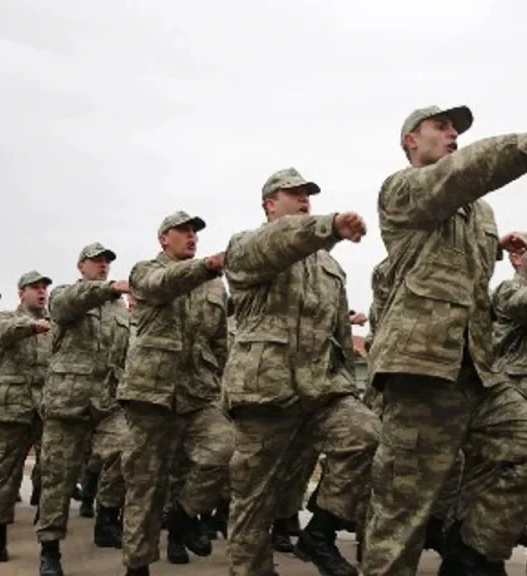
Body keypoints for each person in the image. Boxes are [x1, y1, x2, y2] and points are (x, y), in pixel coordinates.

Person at [361, 104, 527, 575]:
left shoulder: (479, 212)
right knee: (402, 511)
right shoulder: (401, 189)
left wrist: (496, 248)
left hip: (477, 371)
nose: (452, 134)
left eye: (456, 129)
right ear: (410, 140)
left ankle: (470, 553)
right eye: (440, 126)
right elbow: (465, 172)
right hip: (421, 369)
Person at [224, 168, 379, 576]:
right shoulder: (247, 247)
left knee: (366, 435)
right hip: (264, 391)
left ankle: (320, 531)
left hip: (320, 391)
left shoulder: (330, 266)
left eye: (307, 194)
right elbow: (280, 241)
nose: (304, 199)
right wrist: (329, 226)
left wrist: (345, 384)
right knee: (253, 499)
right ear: (269, 204)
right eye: (293, 194)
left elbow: (339, 335)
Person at [119, 211, 234, 575]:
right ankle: (137, 565)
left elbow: (219, 342)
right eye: (183, 231)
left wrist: (224, 386)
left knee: (226, 449)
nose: (192, 236)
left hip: (198, 394)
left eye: (195, 232)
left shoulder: (215, 286)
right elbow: (162, 284)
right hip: (151, 394)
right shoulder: (145, 271)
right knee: (146, 485)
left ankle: (182, 516)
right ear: (163, 239)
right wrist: (207, 266)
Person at [35, 243, 131, 576]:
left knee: (131, 448)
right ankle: (49, 548)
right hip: (67, 403)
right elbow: (68, 305)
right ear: (81, 266)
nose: (103, 265)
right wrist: (109, 288)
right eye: (96, 261)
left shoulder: (120, 309)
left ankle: (107, 516)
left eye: (107, 262)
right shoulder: (64, 295)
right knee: (58, 479)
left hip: (107, 404)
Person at [0, 271, 52, 564]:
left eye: (44, 288)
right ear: (21, 292)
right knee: (5, 476)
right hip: (13, 409)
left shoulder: (55, 324)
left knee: (54, 470)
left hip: (46, 409)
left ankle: (49, 538)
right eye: (35, 288)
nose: (41, 292)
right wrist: (31, 326)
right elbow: (3, 332)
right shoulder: (6, 319)